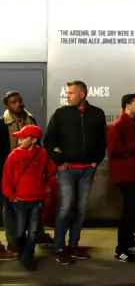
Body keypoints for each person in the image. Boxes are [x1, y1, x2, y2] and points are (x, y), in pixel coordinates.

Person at [43, 81, 106, 265]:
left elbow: (102, 140)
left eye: (71, 93)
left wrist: (96, 161)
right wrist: (59, 161)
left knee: (80, 209)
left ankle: (74, 245)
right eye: (67, 93)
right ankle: (60, 248)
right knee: (65, 208)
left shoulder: (97, 114)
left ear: (82, 94)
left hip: (87, 170)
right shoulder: (61, 114)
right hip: (67, 170)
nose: (67, 96)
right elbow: (48, 140)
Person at [1, 91, 54, 254]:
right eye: (13, 102)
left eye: (19, 100)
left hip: (31, 171)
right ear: (7, 105)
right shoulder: (2, 124)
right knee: (9, 208)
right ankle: (13, 242)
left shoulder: (30, 119)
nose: (18, 104)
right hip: (10, 170)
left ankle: (37, 234)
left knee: (34, 206)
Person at [2, 125, 56, 271]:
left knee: (32, 231)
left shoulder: (42, 154)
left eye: (22, 138)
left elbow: (50, 171)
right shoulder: (13, 155)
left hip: (36, 200)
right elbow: (6, 178)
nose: (18, 140)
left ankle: (28, 256)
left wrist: (55, 156)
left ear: (33, 140)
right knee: (19, 231)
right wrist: (11, 195)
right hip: (20, 200)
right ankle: (22, 250)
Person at [106, 93, 135, 263]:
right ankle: (121, 249)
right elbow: (114, 151)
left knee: (133, 211)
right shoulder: (116, 126)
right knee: (127, 212)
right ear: (127, 106)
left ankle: (130, 243)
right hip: (125, 175)